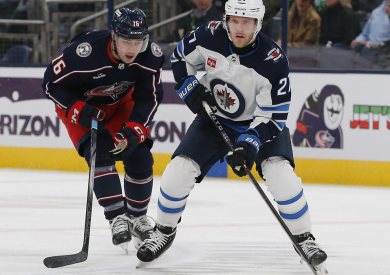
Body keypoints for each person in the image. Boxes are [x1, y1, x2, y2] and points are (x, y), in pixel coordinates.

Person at [136, 0, 328, 273]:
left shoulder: (272, 60)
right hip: (214, 118)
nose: (239, 28)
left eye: (247, 22)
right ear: (226, 19)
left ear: (258, 24)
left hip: (259, 125)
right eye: (235, 20)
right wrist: (189, 85)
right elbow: (180, 58)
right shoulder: (208, 34)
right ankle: (164, 232)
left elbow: (274, 117)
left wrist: (249, 143)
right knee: (178, 170)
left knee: (280, 174)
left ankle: (304, 239)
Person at [42, 7, 164, 253]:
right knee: (99, 153)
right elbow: (50, 85)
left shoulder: (150, 55)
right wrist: (78, 109)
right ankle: (117, 217)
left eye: (138, 41)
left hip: (122, 104)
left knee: (139, 154)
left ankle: (137, 218)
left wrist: (135, 129)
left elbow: (149, 98)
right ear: (113, 36)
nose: (132, 49)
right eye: (126, 41)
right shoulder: (83, 53)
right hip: (82, 107)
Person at [159, 0, 223, 44]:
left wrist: (185, 44)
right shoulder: (189, 17)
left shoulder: (219, 18)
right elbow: (176, 35)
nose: (202, 1)